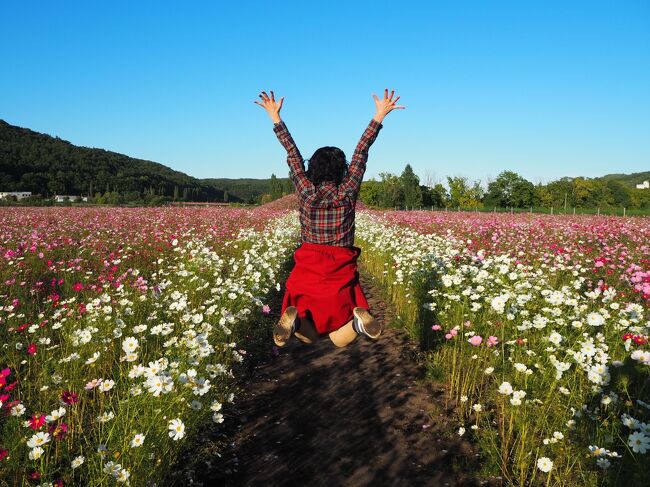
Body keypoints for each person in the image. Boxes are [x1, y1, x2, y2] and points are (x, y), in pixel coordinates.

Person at [254, 88, 405, 347]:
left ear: (312, 169)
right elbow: (361, 152)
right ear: (342, 170)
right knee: (339, 340)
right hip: (340, 268)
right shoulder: (347, 192)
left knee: (309, 337)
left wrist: (275, 118)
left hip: (308, 268)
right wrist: (379, 116)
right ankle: (357, 322)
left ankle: (295, 321)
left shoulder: (305, 191)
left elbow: (292, 155)